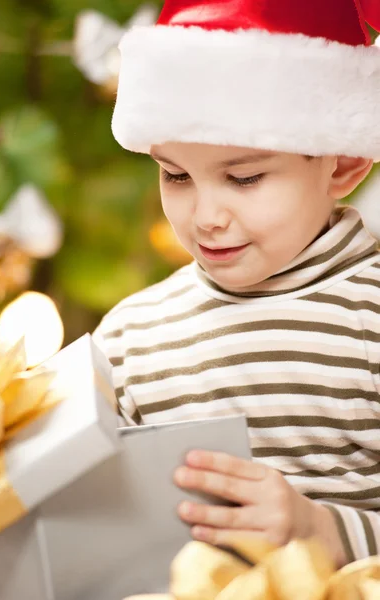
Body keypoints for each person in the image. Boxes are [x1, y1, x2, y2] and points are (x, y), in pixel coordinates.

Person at [93, 0, 380, 568]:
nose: (206, 217)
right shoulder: (129, 340)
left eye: (244, 177)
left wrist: (325, 531)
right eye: (175, 175)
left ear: (342, 164)